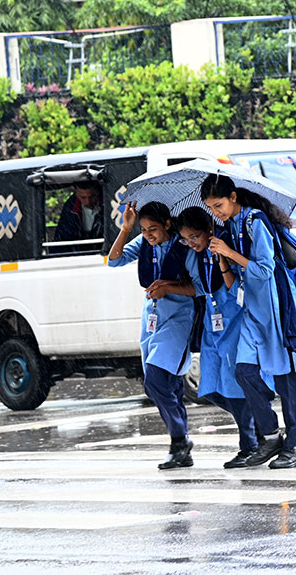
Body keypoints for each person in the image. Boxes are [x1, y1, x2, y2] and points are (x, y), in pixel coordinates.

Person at [201, 174, 296, 469]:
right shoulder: (229, 227)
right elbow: (231, 284)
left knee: (289, 381)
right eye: (211, 207)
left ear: (234, 196)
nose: (216, 211)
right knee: (245, 372)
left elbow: (264, 270)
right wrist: (223, 261)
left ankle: (294, 446)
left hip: (278, 309)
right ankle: (270, 434)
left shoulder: (257, 221)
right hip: (252, 311)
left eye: (219, 204)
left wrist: (229, 253)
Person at [107, 201, 199, 470]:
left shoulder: (184, 247)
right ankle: (180, 446)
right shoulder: (144, 242)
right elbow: (114, 261)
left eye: (153, 229)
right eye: (144, 229)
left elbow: (200, 286)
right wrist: (126, 229)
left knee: (156, 381)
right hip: (151, 319)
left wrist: (168, 287)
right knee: (167, 383)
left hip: (178, 319)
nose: (148, 234)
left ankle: (180, 438)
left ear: (168, 224)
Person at [176, 207, 262, 468]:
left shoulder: (226, 247)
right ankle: (258, 425)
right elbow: (200, 288)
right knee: (211, 387)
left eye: (195, 236)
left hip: (233, 321)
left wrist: (223, 259)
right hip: (211, 325)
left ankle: (250, 444)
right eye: (185, 239)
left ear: (209, 230)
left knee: (235, 385)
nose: (191, 243)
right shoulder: (194, 257)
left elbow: (236, 287)